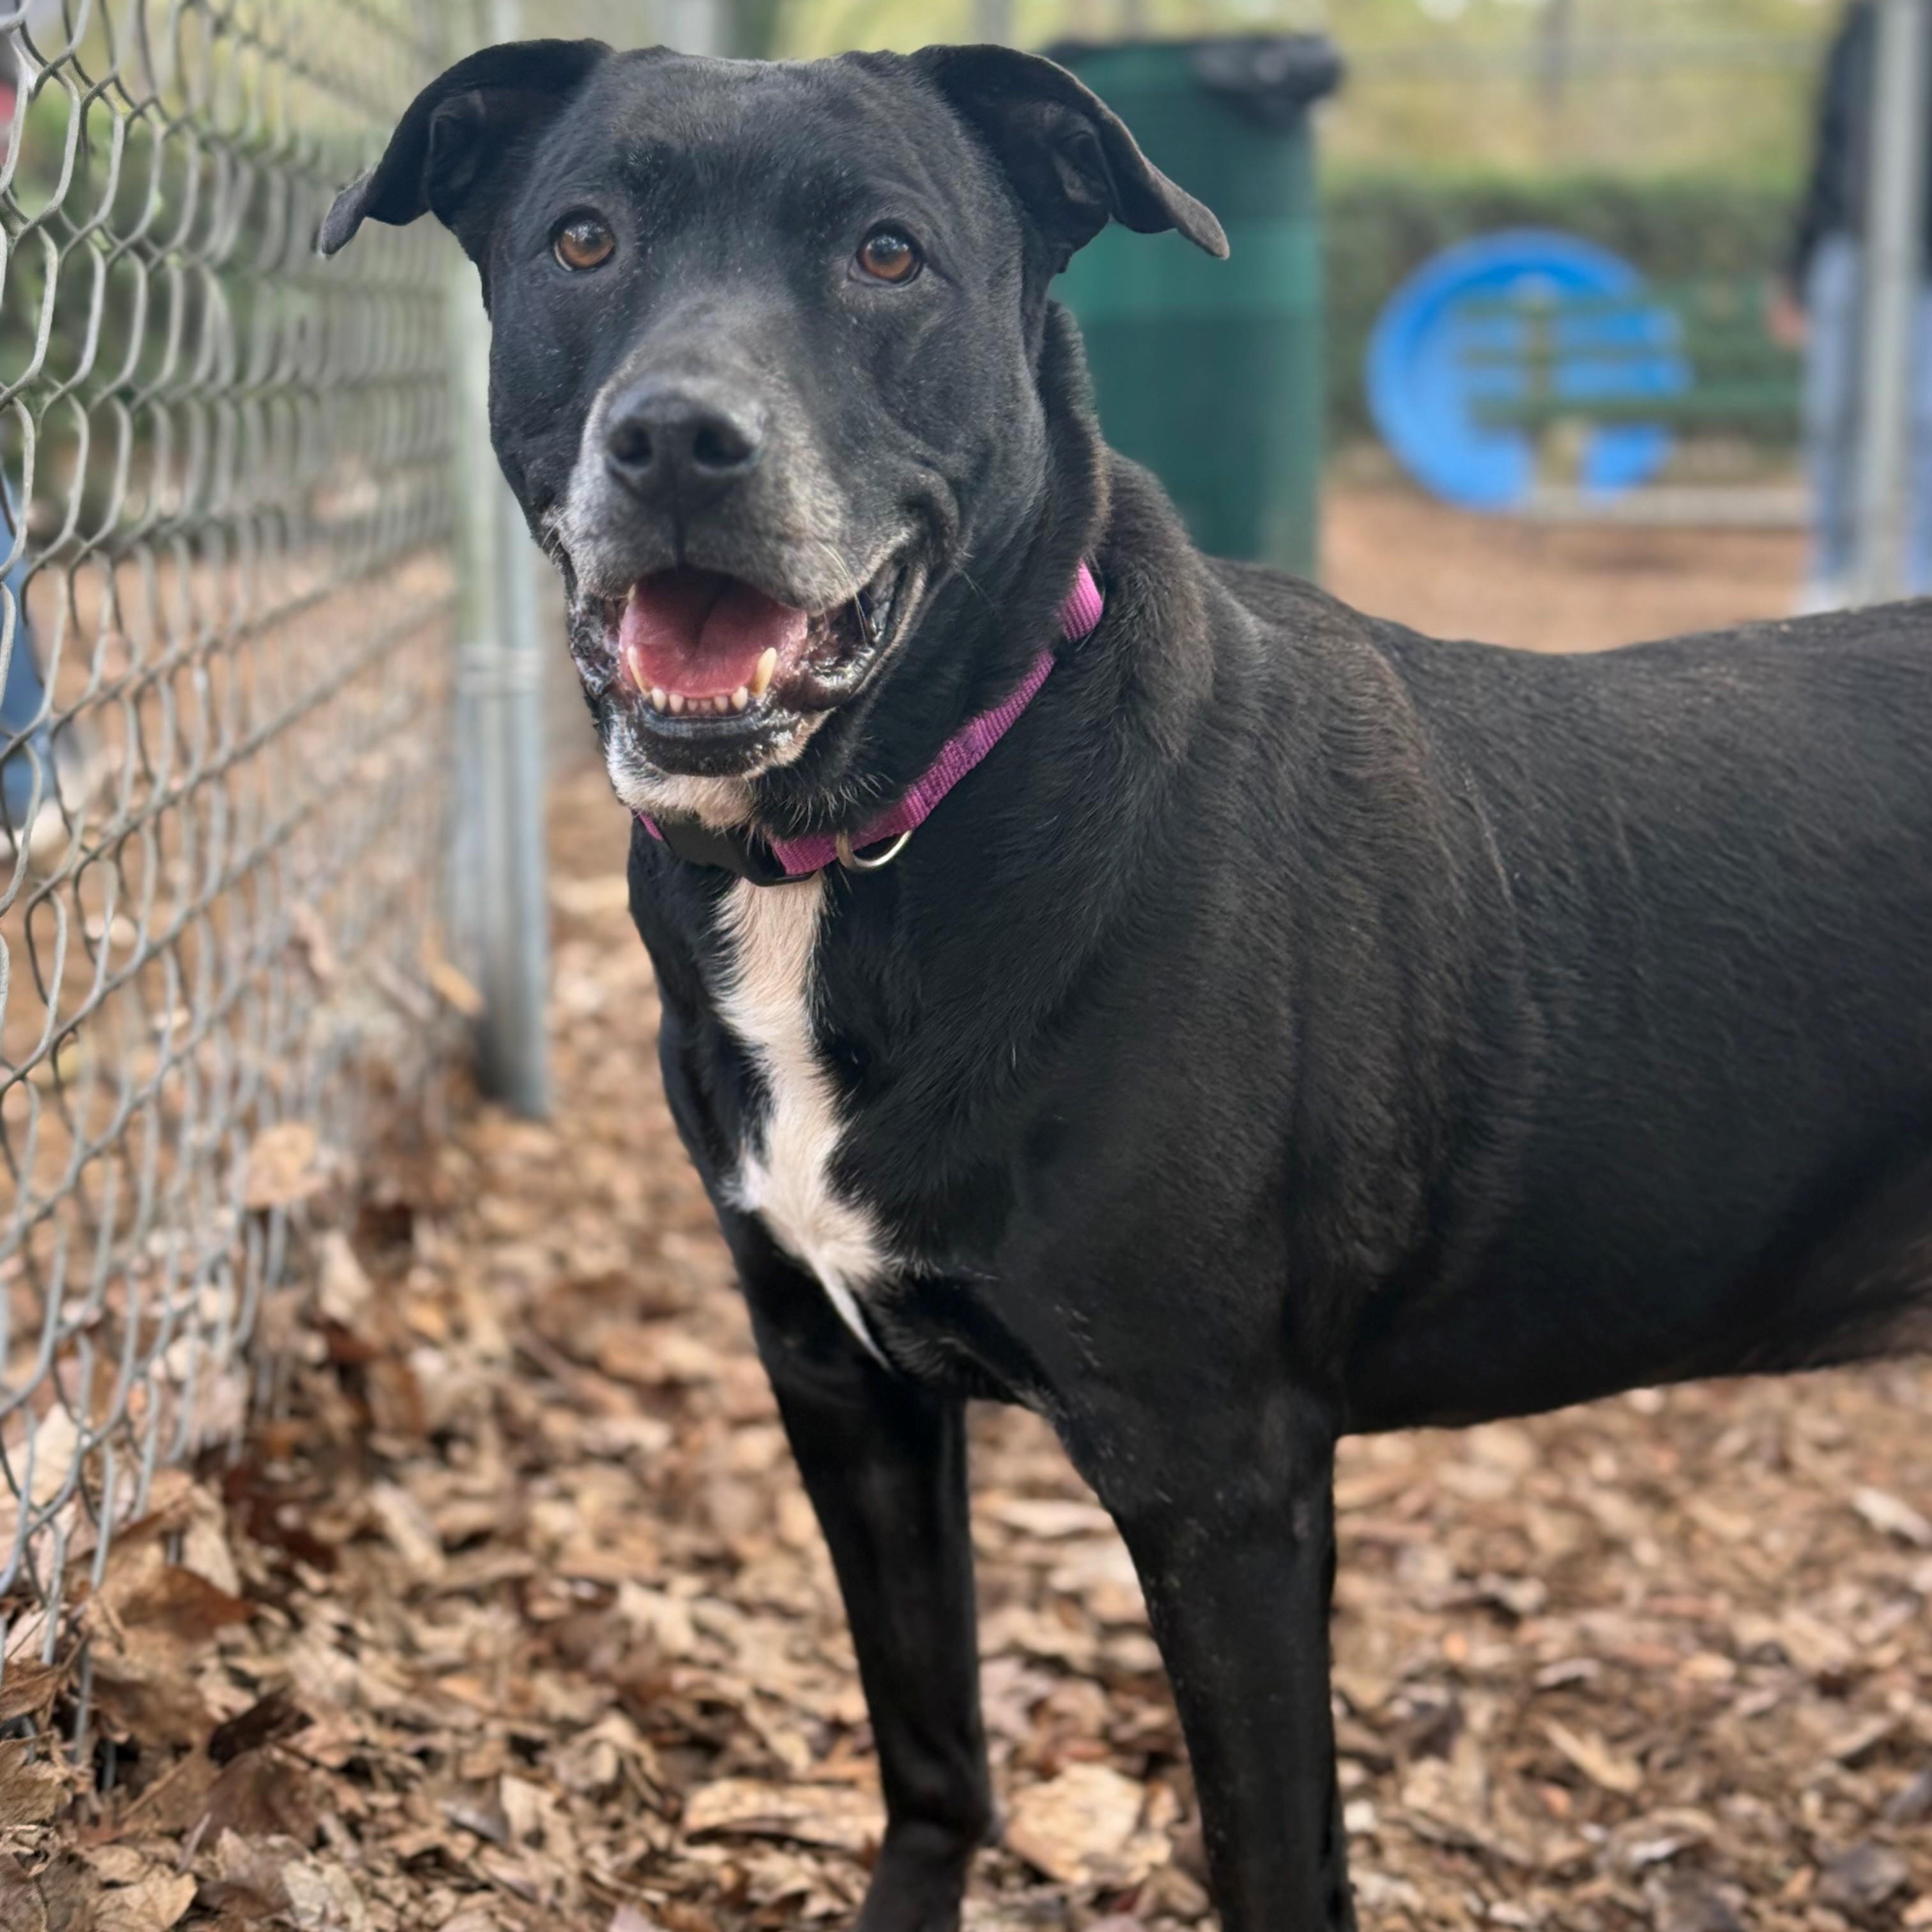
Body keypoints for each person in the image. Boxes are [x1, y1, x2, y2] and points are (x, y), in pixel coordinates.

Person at [1772, 0, 1932, 611]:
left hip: (1924, 263)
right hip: (1852, 247)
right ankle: (1831, 577)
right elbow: (1827, 152)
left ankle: (1917, 580)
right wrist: (1799, 265)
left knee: (1922, 423)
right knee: (1834, 417)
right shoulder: (1861, 27)